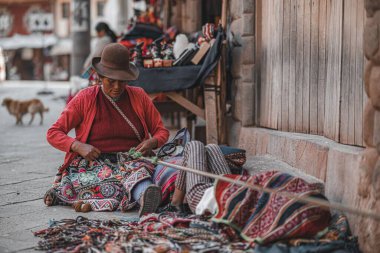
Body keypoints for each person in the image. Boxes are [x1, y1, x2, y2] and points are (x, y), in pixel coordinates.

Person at [44, 43, 169, 217]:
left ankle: (145, 196)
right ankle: (74, 195)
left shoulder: (139, 96)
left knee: (138, 175)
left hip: (130, 161)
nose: (117, 87)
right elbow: (53, 132)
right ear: (100, 77)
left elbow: (161, 131)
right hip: (93, 164)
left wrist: (152, 141)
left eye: (122, 81)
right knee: (93, 179)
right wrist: (78, 146)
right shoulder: (85, 98)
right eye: (111, 81)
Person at [172, 141, 331, 244]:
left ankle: (175, 204)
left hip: (204, 197)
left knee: (194, 145)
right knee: (211, 148)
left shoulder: (274, 214)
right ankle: (177, 203)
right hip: (232, 185)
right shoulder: (283, 203)